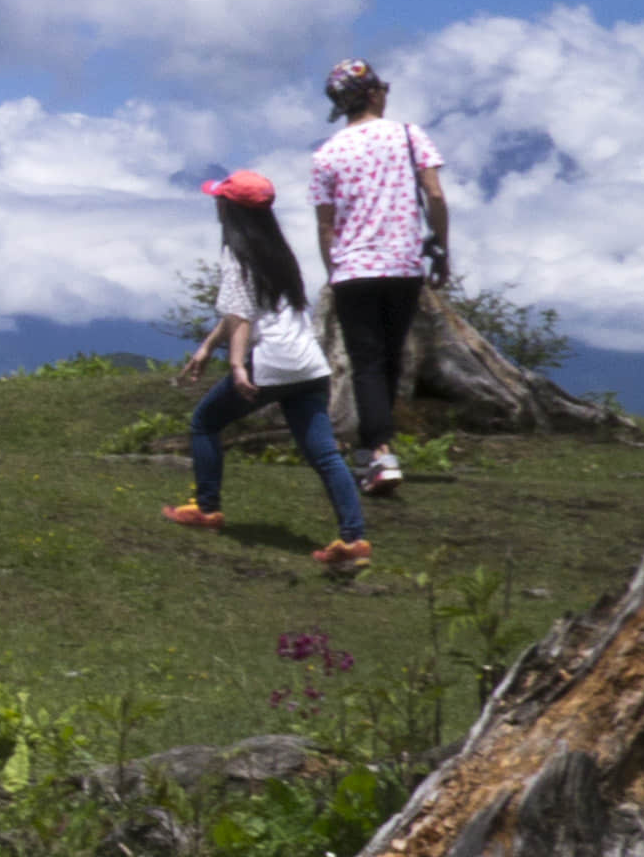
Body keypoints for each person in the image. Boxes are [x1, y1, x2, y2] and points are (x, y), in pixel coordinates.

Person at [168, 168, 367, 568]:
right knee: (325, 455)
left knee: (205, 422)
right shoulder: (279, 251)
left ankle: (207, 508)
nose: (217, 205)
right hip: (310, 365)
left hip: (272, 362)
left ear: (230, 209)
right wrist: (207, 347)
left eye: (221, 200)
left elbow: (240, 316)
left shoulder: (236, 254)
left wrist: (237, 366)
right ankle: (354, 540)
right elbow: (245, 311)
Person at [306, 57, 447, 502]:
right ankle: (377, 451)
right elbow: (435, 194)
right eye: (383, 87)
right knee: (389, 359)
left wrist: (333, 272)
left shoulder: (326, 154)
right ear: (372, 94)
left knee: (366, 361)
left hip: (353, 269)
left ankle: (376, 453)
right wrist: (441, 247)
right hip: (403, 264)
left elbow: (325, 225)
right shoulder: (408, 135)